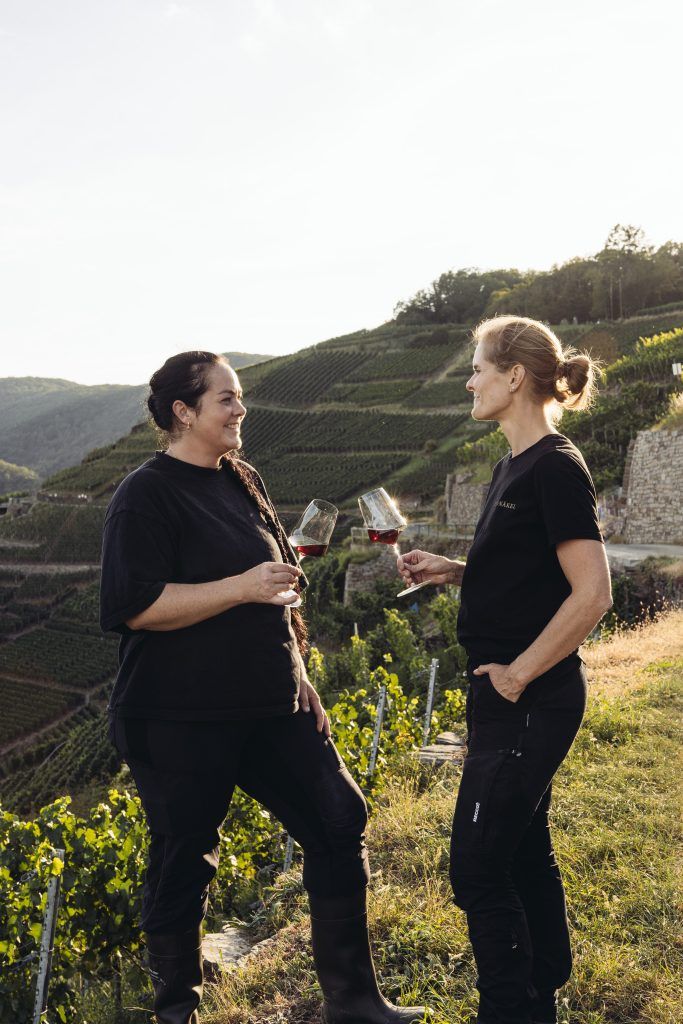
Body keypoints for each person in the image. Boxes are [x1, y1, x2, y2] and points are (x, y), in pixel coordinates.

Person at [100, 351, 424, 1024]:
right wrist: (241, 587)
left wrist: (298, 668)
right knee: (186, 856)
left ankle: (353, 1002)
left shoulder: (241, 479)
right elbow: (134, 605)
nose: (241, 409)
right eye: (226, 399)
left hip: (268, 701)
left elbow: (278, 588)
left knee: (339, 819)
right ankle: (175, 1012)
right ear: (183, 412)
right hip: (178, 714)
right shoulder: (146, 493)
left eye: (239, 396)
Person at [398, 316, 612, 1024]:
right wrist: (456, 571)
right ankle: (543, 991)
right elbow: (531, 571)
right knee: (523, 851)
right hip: (505, 695)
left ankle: (508, 1012)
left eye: (477, 367)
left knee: (476, 869)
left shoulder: (554, 465)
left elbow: (592, 593)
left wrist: (517, 674)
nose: (469, 379)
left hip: (528, 698)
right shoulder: (509, 465)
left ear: (513, 376)